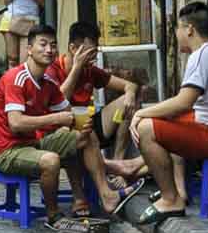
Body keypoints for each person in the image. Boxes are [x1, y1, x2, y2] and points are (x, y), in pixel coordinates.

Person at [128, 2, 208, 224]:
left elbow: (184, 102)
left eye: (177, 28)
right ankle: (172, 187)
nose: (176, 34)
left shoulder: (202, 55)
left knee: (146, 128)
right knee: (164, 119)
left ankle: (171, 200)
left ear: (189, 29)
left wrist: (140, 114)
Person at [0, 24, 119, 223]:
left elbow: (66, 112)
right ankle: (53, 214)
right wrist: (57, 119)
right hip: (7, 151)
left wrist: (82, 121)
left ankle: (105, 193)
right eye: (43, 44)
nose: (49, 50)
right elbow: (16, 123)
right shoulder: (16, 78)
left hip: (33, 144)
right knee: (51, 160)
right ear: (29, 49)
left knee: (85, 138)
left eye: (53, 45)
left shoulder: (48, 81)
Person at [48, 21, 140, 154]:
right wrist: (77, 68)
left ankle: (119, 161)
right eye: (90, 53)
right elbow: (60, 102)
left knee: (129, 101)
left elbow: (130, 85)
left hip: (88, 126)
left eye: (95, 51)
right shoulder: (52, 70)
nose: (94, 57)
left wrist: (131, 94)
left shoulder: (90, 70)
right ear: (73, 49)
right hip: (62, 130)